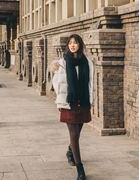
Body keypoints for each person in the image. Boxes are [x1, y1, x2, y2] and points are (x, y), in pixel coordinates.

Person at [50, 34, 94, 180]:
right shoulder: (62, 62)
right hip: (68, 102)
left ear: (80, 44)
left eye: (75, 42)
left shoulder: (87, 62)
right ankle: (80, 169)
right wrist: (60, 100)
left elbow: (91, 83)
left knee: (78, 132)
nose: (72, 45)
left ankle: (70, 151)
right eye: (70, 43)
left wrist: (91, 100)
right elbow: (56, 83)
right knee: (74, 135)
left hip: (83, 101)